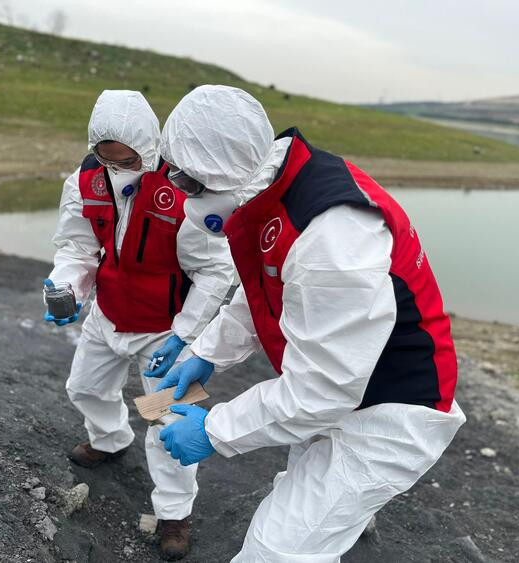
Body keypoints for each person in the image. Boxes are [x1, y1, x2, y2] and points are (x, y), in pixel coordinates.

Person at [147, 85, 466, 562]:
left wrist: (214, 429)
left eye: (189, 183)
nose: (181, 194)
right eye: (173, 176)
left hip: (387, 415)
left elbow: (324, 388)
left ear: (224, 171)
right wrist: (206, 353)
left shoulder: (333, 239)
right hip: (345, 397)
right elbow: (263, 293)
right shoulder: (273, 189)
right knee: (309, 515)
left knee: (276, 550)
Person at [45, 90, 234, 560]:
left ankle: (174, 515)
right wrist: (65, 286)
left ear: (149, 145)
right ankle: (109, 440)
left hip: (164, 328)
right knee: (84, 387)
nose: (117, 167)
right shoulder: (85, 181)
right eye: (105, 157)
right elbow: (76, 247)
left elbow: (216, 270)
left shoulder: (187, 189)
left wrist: (186, 333)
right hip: (108, 313)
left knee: (168, 419)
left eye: (127, 158)